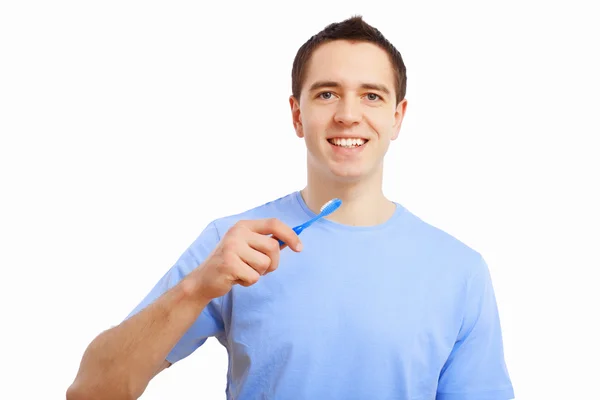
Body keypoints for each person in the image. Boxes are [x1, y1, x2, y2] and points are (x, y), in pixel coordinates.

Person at [67, 15, 514, 400]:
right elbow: (91, 391)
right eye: (326, 94)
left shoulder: (460, 272)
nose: (347, 114)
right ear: (297, 115)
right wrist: (197, 287)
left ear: (397, 117)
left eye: (372, 96)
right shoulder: (232, 245)